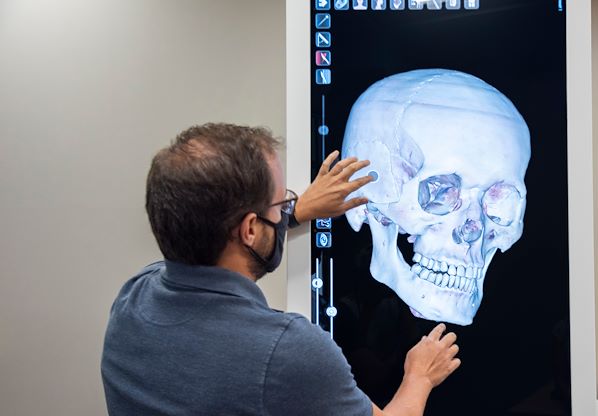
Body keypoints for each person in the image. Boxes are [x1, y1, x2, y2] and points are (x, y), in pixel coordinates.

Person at [101, 123, 461, 416]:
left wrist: (298, 210)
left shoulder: (132, 299)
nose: (287, 209)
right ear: (251, 229)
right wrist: (419, 377)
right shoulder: (286, 351)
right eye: (282, 202)